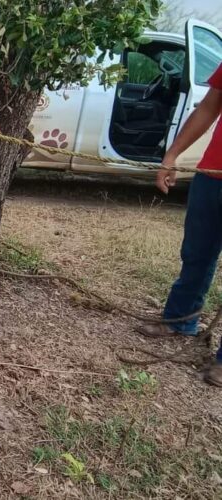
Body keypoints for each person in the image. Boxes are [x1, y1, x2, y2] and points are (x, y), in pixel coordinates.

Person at [136, 61, 222, 386]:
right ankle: (179, 320)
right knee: (196, 254)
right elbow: (210, 106)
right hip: (212, 176)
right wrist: (171, 156)